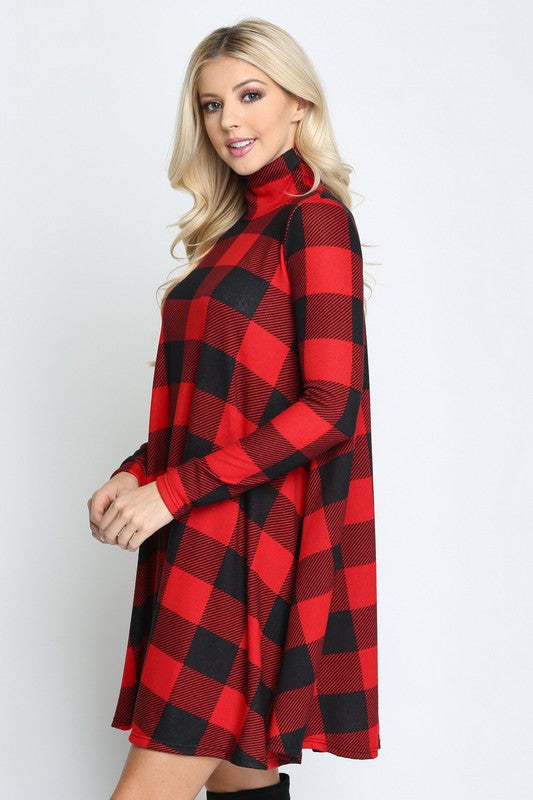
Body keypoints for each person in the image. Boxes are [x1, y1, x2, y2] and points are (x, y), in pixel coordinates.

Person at [87, 16, 380, 800]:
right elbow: (212, 401)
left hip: (248, 547)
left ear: (298, 104)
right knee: (241, 784)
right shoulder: (228, 236)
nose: (228, 121)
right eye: (211, 104)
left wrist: (171, 491)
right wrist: (136, 472)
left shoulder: (313, 220)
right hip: (199, 530)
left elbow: (331, 407)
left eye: (249, 95)